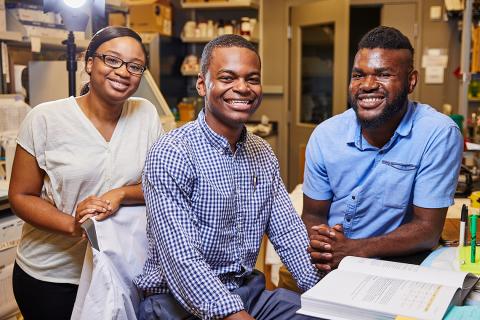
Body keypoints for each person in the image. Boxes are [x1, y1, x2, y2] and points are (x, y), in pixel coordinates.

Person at [134, 34, 321, 320]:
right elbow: (182, 260)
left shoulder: (262, 152)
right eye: (227, 77)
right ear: (202, 84)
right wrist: (233, 314)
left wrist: (326, 297)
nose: (242, 88)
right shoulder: (173, 152)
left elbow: (289, 235)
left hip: (247, 292)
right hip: (177, 303)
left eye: (252, 78)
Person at [9, 26, 163, 319]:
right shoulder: (45, 118)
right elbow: (20, 195)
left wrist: (120, 194)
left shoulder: (145, 114)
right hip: (53, 276)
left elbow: (159, 187)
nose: (123, 72)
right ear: (90, 63)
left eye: (135, 66)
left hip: (120, 271)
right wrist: (73, 225)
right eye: (112, 60)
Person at [303, 26, 463, 272]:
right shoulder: (326, 135)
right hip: (332, 262)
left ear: (411, 81)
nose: (367, 85)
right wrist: (325, 245)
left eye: (383, 74)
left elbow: (427, 230)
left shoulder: (437, 133)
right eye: (358, 75)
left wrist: (353, 250)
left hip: (400, 264)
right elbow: (314, 215)